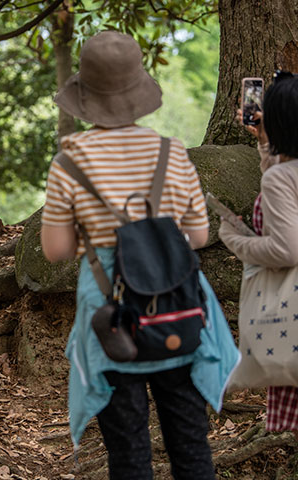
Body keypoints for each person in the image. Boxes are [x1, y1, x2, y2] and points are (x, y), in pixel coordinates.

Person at [40, 30, 240, 479]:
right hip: (177, 310)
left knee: (127, 450)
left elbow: (54, 249)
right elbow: (200, 234)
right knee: (190, 440)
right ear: (138, 89)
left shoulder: (70, 159)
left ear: (84, 95)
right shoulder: (170, 152)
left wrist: (96, 236)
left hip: (113, 319)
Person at [223, 72, 298, 438]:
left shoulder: (281, 177)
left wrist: (236, 239)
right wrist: (267, 142)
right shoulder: (285, 172)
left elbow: (286, 249)